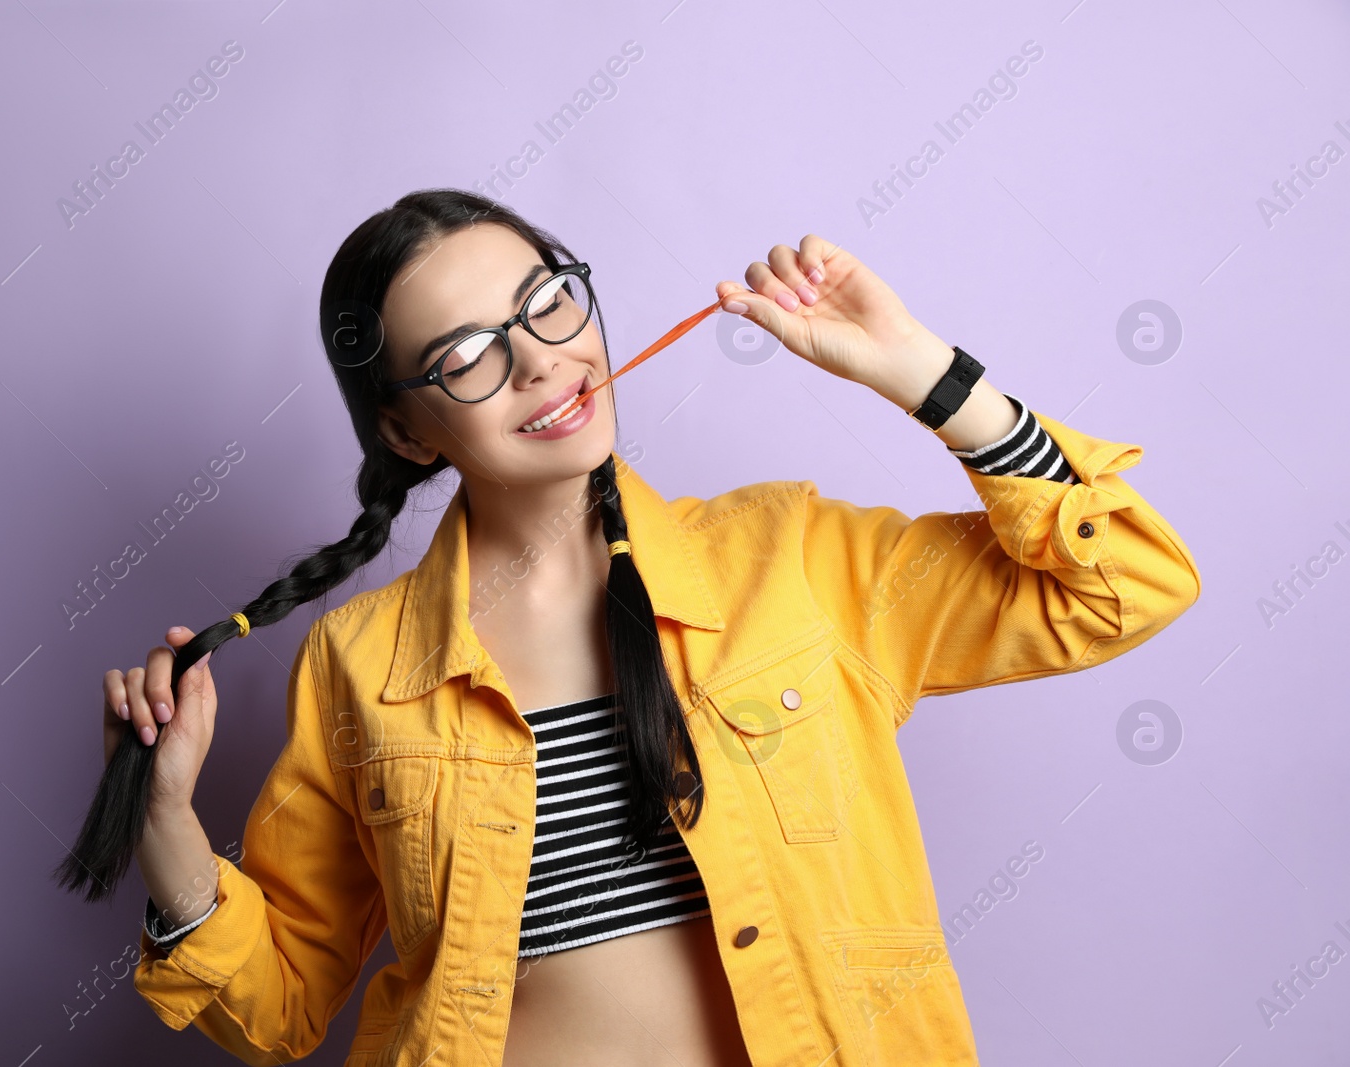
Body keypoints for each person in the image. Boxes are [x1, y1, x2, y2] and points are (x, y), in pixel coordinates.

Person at [105, 188, 1200, 1066]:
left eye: (548, 301)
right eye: (467, 354)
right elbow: (281, 1009)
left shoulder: (794, 558)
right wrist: (163, 829)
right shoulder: (360, 663)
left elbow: (1123, 584)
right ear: (407, 428)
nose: (539, 359)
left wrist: (918, 368)